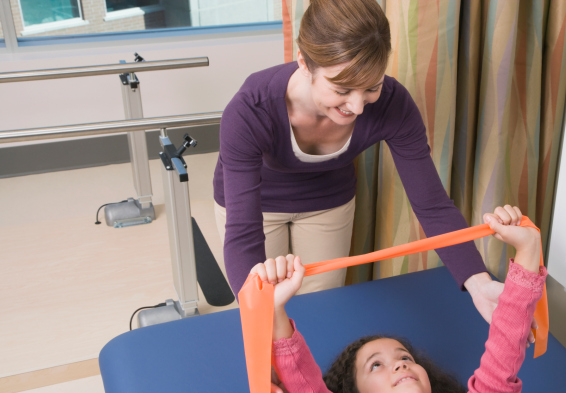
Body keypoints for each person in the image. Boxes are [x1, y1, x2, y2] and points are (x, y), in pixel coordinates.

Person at [213, 0, 506, 313]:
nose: (357, 106)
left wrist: (478, 282)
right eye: (341, 89)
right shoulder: (250, 110)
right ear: (304, 62)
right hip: (260, 203)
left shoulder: (393, 105)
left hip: (327, 201)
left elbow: (431, 204)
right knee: (267, 306)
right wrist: (257, 310)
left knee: (321, 308)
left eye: (371, 87)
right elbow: (243, 232)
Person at [259, 206, 546, 393]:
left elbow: (504, 351)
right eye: (376, 365)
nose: (399, 363)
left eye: (406, 358)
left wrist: (529, 249)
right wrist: (275, 313)